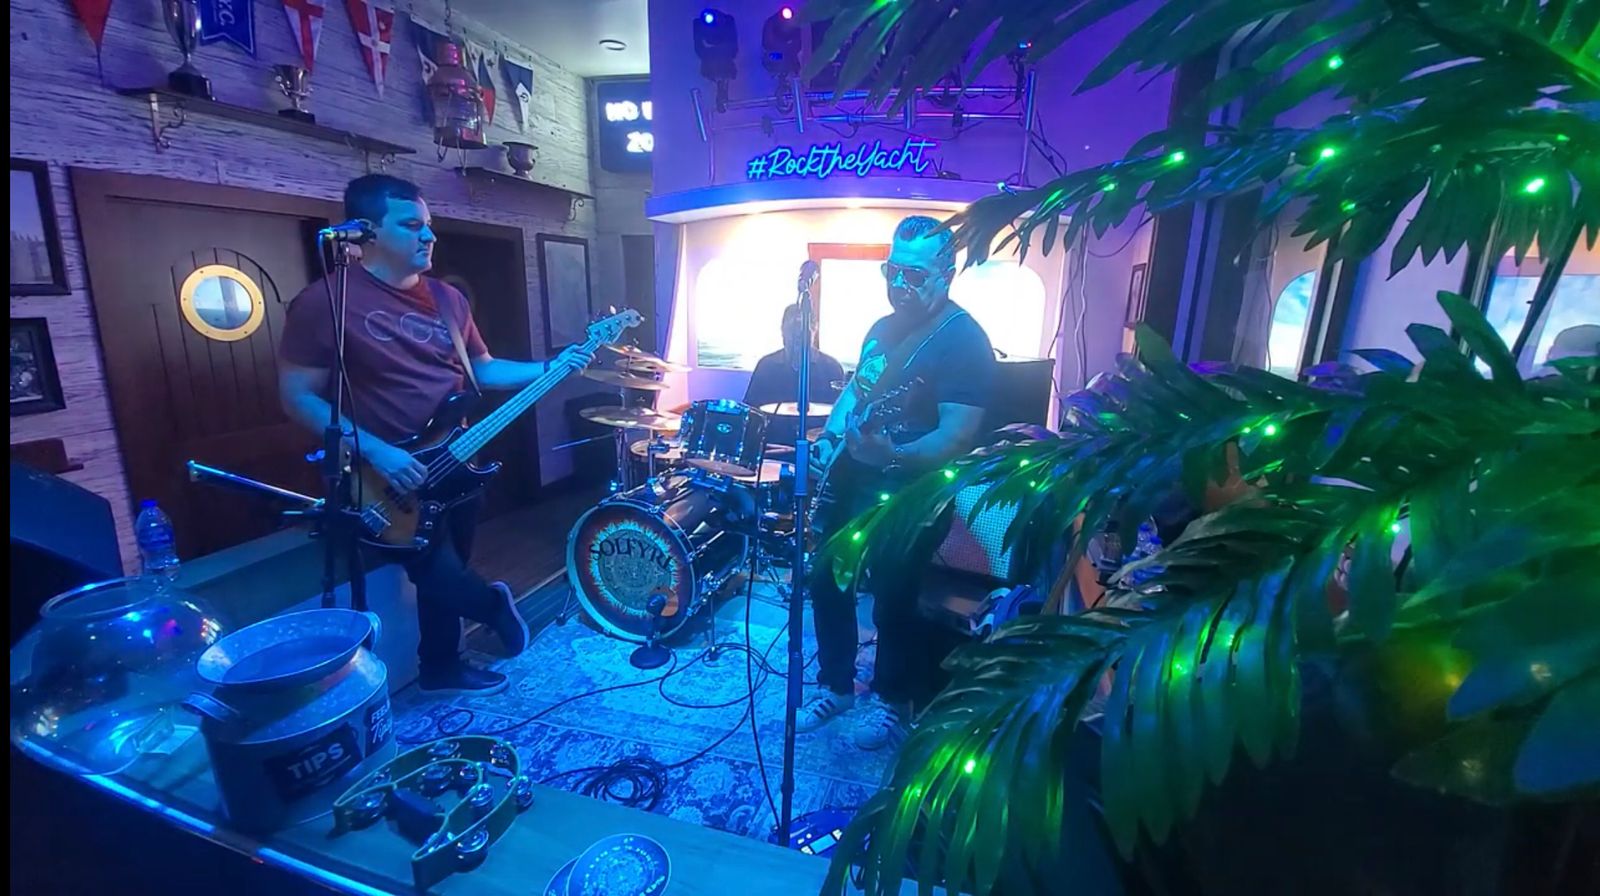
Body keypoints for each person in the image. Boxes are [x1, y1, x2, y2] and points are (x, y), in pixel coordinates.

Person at [278, 174, 594, 696]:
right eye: (411, 226)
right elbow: (298, 397)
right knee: (434, 567)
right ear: (365, 231)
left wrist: (550, 367)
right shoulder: (323, 303)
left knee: (449, 566)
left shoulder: (449, 300)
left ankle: (441, 666)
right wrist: (377, 450)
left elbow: (483, 369)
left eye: (428, 225)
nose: (429, 236)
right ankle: (492, 606)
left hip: (454, 459)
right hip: (377, 472)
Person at [797, 215, 997, 749]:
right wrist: (830, 437)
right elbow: (855, 392)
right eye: (893, 271)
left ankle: (891, 697)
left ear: (946, 274)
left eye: (915, 275)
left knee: (894, 595)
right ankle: (836, 684)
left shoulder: (965, 342)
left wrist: (896, 453)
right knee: (828, 578)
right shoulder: (882, 328)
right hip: (855, 477)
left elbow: (957, 435)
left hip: (915, 492)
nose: (900, 285)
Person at [743, 303, 846, 410]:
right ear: (782, 330)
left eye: (802, 329)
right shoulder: (766, 366)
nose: (797, 334)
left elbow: (841, 412)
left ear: (814, 329)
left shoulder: (831, 368)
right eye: (792, 328)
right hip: (773, 421)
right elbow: (751, 410)